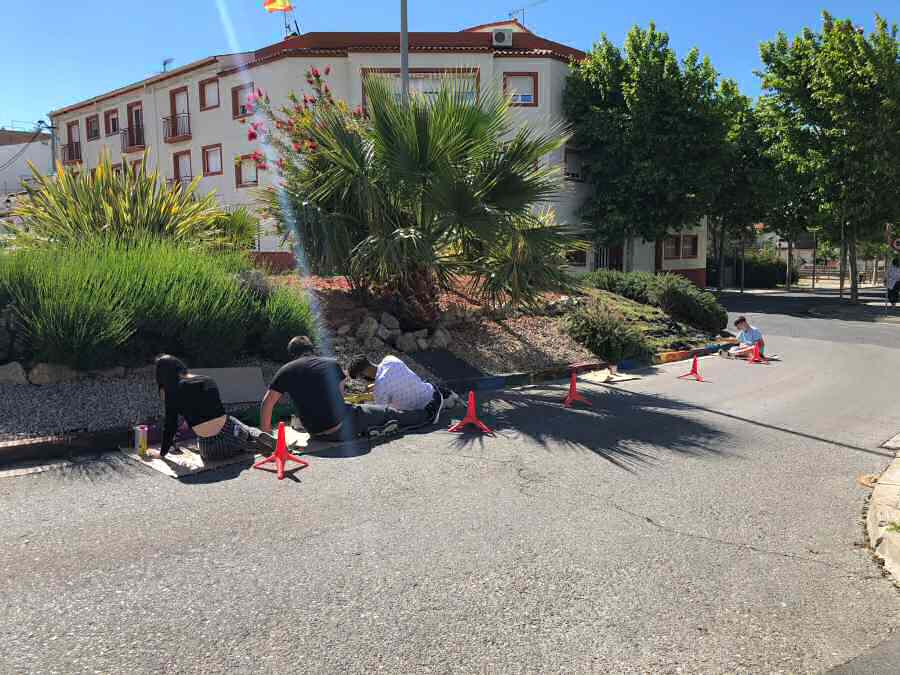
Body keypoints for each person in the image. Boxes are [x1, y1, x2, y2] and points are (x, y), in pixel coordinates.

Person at [259, 336, 443, 442]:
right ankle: (427, 415)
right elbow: (342, 398)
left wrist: (266, 435)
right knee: (387, 413)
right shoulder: (330, 364)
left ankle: (370, 428)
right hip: (341, 427)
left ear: (292, 354)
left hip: (315, 433)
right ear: (312, 349)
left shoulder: (285, 371)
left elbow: (267, 403)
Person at [154, 354, 273, 460]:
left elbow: (170, 426)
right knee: (237, 424)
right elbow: (213, 409)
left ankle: (244, 446)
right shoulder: (207, 380)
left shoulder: (171, 392)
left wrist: (162, 453)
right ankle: (256, 435)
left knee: (205, 447)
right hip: (231, 432)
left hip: (210, 449)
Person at [347, 354, 460, 411]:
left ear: (363, 374)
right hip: (432, 393)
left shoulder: (379, 389)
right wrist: (375, 385)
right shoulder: (390, 359)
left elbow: (383, 411)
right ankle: (454, 396)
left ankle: (454, 401)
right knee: (423, 383)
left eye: (360, 377)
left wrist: (363, 402)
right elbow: (393, 379)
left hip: (428, 408)